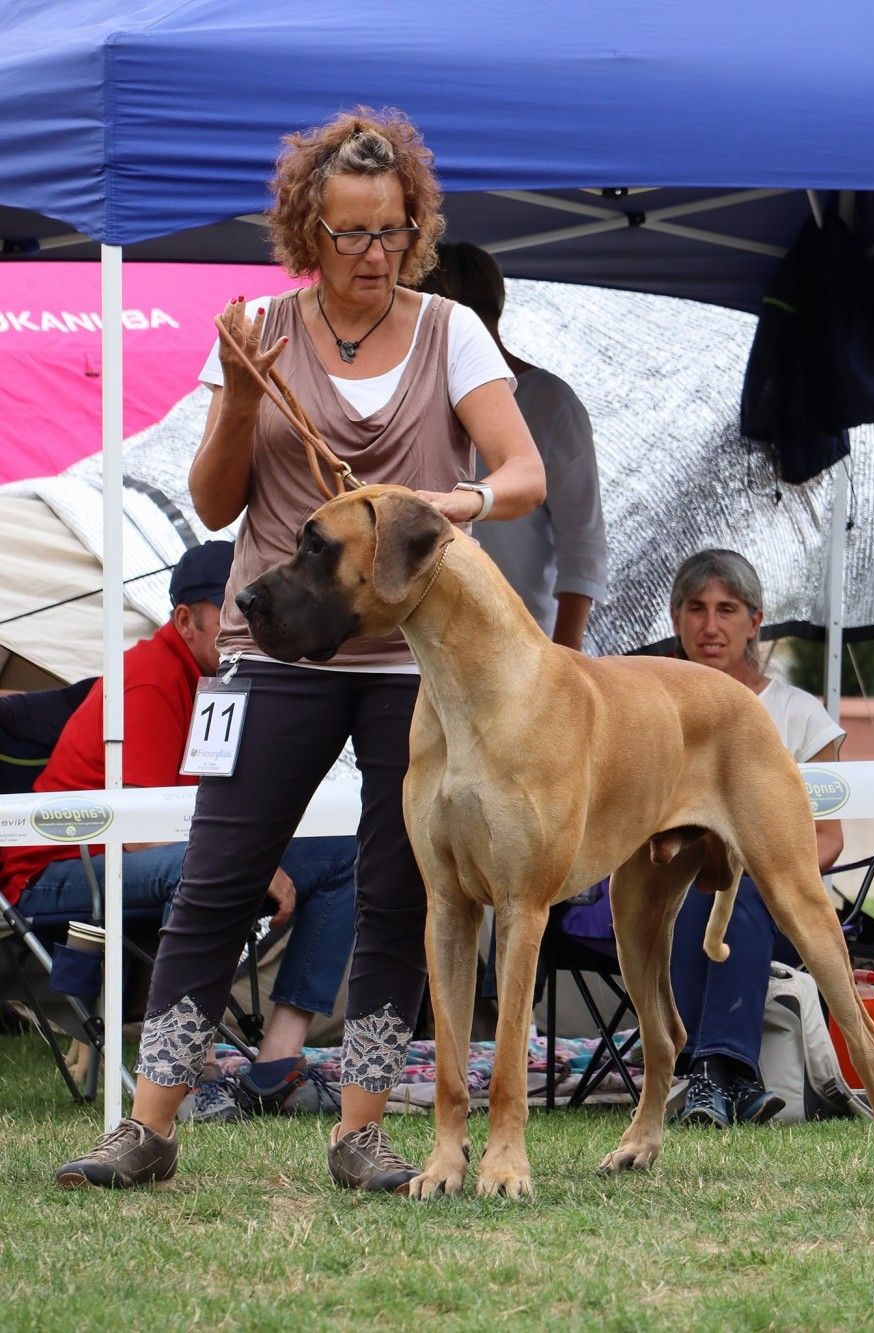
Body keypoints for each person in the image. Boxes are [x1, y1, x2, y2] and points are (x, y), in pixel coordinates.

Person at [56, 107, 544, 1192]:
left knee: (399, 890)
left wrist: (451, 502)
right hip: (270, 646)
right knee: (217, 880)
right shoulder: (257, 333)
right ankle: (149, 1126)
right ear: (305, 232)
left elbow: (523, 473)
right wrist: (238, 395)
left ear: (416, 224)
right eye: (350, 233)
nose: (375, 254)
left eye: (393, 230)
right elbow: (212, 501)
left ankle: (359, 1132)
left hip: (413, 662)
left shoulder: (453, 330)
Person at [4, 541, 357, 1119]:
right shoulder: (148, 678)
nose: (249, 623)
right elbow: (140, 829)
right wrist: (253, 859)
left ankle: (278, 1063)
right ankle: (192, 1073)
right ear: (185, 620)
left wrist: (261, 850)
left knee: (344, 852)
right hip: (56, 871)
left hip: (166, 855)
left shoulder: (227, 679)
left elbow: (228, 810)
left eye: (255, 606)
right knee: (203, 864)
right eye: (233, 610)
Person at [668, 548, 845, 1128]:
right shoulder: (655, 709)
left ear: (755, 621)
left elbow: (829, 839)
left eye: (727, 609)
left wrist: (769, 873)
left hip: (781, 914)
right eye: (696, 608)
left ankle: (708, 1073)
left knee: (737, 880)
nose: (710, 625)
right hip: (676, 906)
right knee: (706, 884)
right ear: (676, 618)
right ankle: (732, 1079)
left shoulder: (800, 716)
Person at [419, 242, 607, 649]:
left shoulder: (551, 401)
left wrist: (565, 655)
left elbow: (583, 544)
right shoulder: (415, 399)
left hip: (521, 646)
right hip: (425, 644)